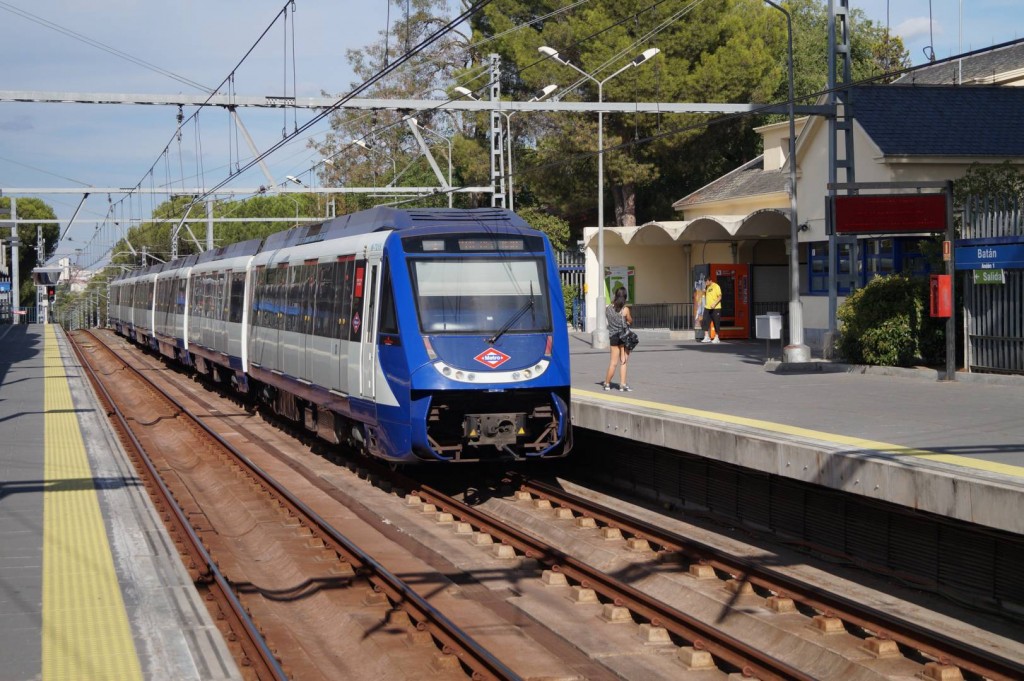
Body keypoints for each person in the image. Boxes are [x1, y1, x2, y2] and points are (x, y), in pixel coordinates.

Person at [603, 286, 633, 391]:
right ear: (624, 297)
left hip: (613, 337)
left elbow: (610, 320)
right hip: (623, 337)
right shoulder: (625, 310)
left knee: (613, 363)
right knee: (623, 361)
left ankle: (607, 383)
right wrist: (625, 322)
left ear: (615, 295)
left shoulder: (608, 309)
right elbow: (630, 321)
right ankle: (623, 385)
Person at [701, 278, 722, 344]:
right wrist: (704, 291)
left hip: (716, 307)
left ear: (710, 281)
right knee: (705, 320)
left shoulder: (716, 286)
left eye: (707, 282)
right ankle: (706, 337)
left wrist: (714, 303)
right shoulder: (707, 287)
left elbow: (720, 296)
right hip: (707, 307)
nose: (706, 283)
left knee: (716, 322)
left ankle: (717, 337)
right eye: (705, 282)